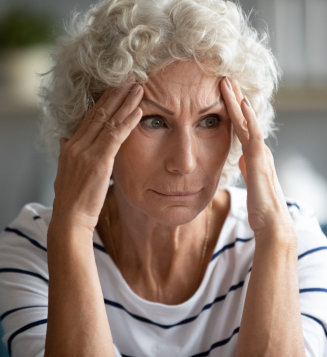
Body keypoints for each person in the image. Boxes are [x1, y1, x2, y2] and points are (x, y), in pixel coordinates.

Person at [0, 0, 327, 356]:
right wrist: (73, 230)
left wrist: (274, 236)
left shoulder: (291, 240)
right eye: (153, 121)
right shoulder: (37, 246)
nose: (184, 162)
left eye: (210, 121)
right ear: (89, 129)